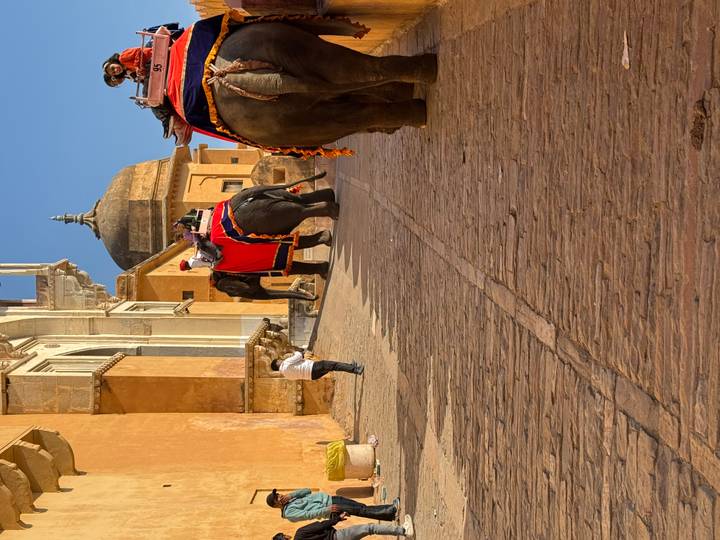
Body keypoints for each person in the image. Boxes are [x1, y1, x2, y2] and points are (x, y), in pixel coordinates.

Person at [266, 489, 399, 522]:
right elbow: (307, 515)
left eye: (278, 494)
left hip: (330, 498)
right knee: (360, 510)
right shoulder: (289, 514)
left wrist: (291, 495)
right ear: (275, 505)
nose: (279, 496)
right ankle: (391, 509)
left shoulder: (291, 499)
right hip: (330, 508)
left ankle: (389, 515)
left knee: (360, 506)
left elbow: (307, 490)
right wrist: (326, 509)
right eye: (277, 497)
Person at [273, 512, 414, 540]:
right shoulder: (300, 534)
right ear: (285, 537)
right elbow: (321, 526)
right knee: (370, 528)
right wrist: (337, 519)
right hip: (338, 537)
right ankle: (403, 530)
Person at [271, 351, 364, 380]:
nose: (281, 360)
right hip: (313, 367)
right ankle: (356, 370)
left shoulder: (286, 375)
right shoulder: (286, 363)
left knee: (332, 367)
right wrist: (294, 352)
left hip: (313, 376)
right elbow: (299, 355)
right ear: (278, 363)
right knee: (334, 365)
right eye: (279, 360)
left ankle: (351, 366)